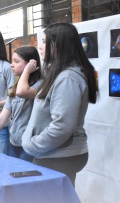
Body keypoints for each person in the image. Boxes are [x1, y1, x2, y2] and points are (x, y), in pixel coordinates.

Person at [22, 23, 98, 186]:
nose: (40, 47)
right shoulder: (59, 74)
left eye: (44, 41)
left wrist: (33, 145)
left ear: (57, 45)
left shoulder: (68, 79)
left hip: (59, 156)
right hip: (55, 154)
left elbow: (62, 127)